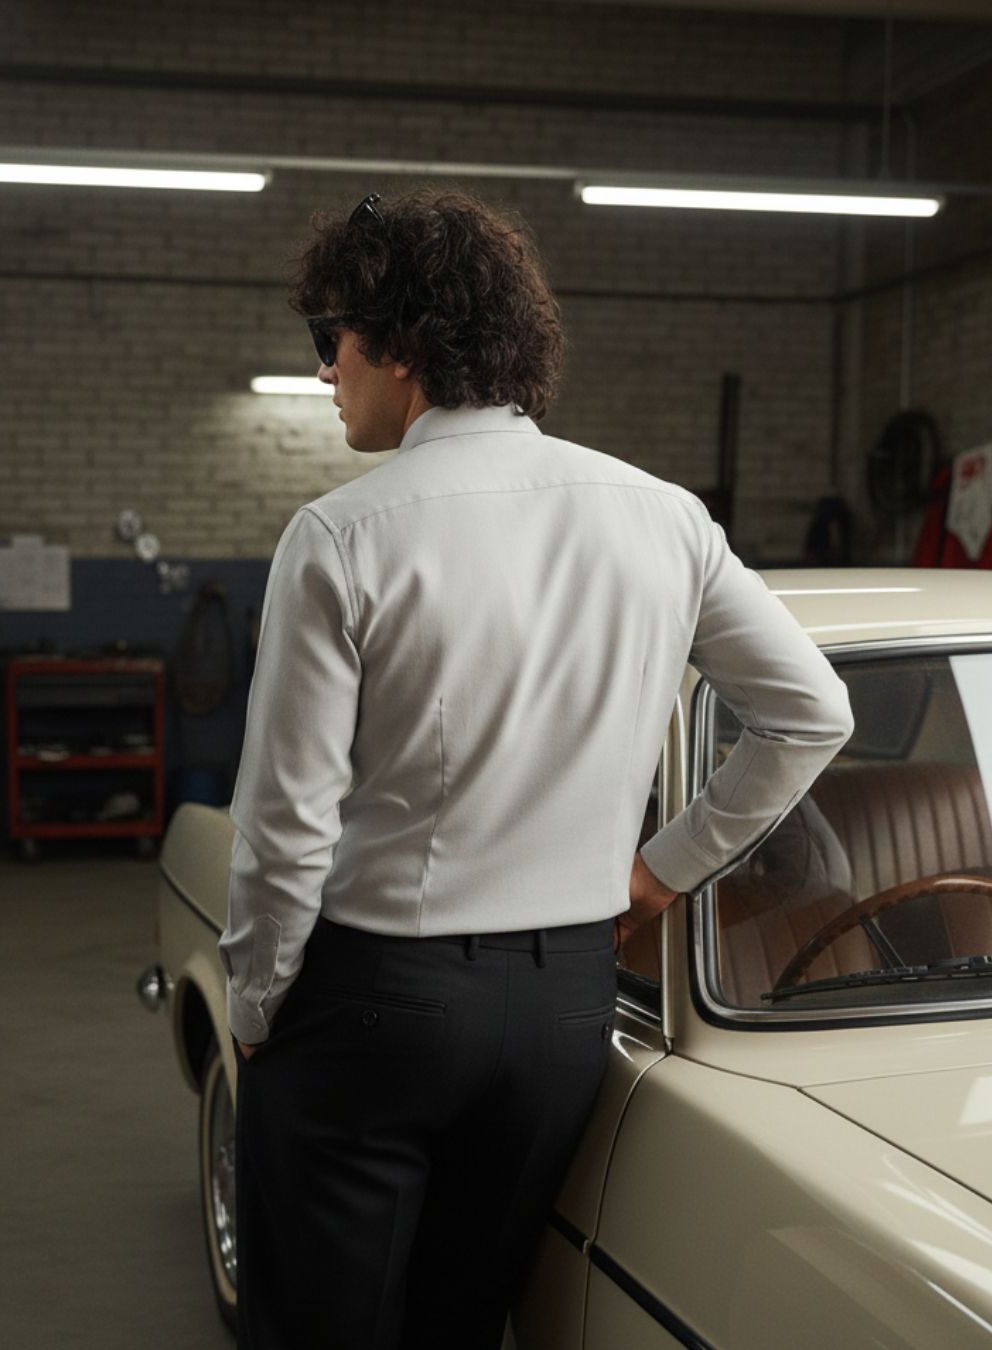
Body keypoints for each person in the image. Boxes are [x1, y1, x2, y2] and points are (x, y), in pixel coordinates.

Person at [218, 187, 854, 1350]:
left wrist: (255, 1000)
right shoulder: (665, 518)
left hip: (374, 1003)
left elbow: (287, 823)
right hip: (563, 1012)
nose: (323, 371)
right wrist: (659, 873)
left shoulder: (343, 534)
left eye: (332, 339)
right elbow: (811, 713)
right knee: (462, 1328)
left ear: (402, 347)